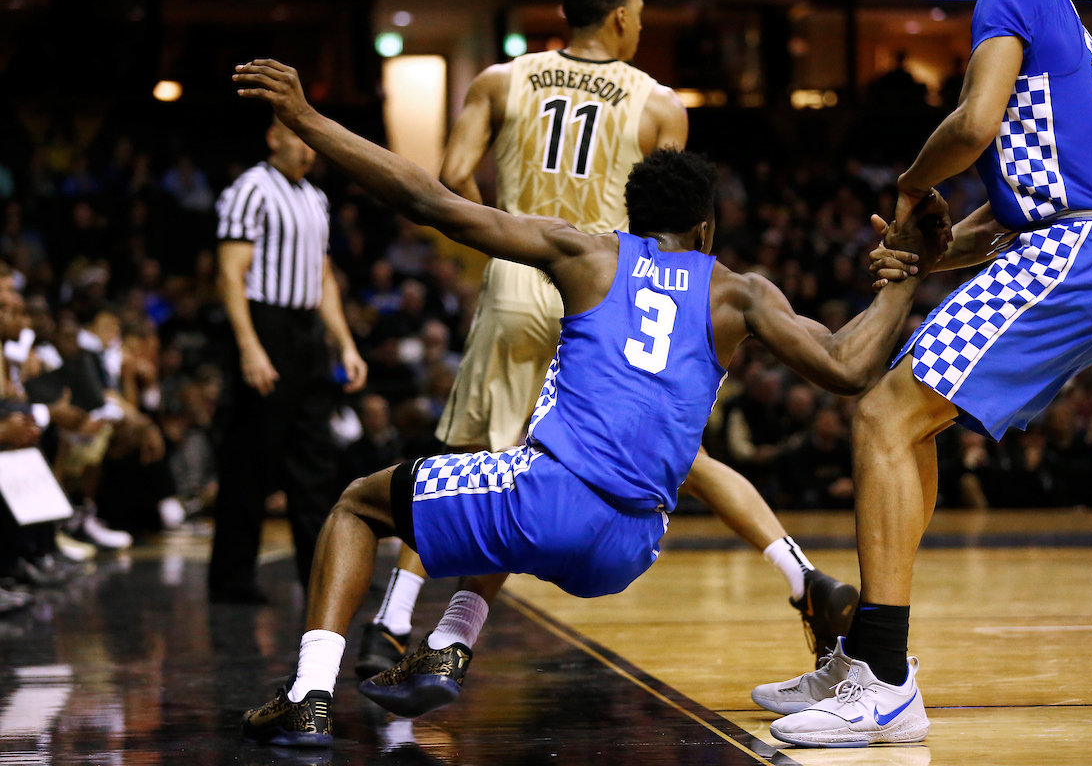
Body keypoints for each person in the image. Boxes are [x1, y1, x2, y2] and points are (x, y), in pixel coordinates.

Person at [228, 57, 947, 746]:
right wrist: (907, 271)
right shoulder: (741, 293)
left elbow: (427, 199)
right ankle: (450, 640)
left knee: (358, 502)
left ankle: (306, 697)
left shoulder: (588, 254)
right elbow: (849, 366)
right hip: (631, 547)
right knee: (523, 465)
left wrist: (309, 118)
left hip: (548, 500)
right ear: (706, 231)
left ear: (631, 222)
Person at [357, 0, 860, 683]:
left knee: (476, 456)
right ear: (621, 19)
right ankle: (799, 574)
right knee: (682, 460)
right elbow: (669, 216)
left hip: (521, 275)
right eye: (643, 15)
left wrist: (495, 247)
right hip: (611, 289)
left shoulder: (504, 77)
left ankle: (391, 625)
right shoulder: (656, 100)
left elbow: (451, 175)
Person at [759, 0, 1092, 748]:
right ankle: (872, 657)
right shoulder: (1060, 17)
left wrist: (908, 188)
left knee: (881, 413)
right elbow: (1013, 208)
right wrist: (919, 257)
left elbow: (972, 126)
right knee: (909, 421)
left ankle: (883, 682)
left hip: (1079, 247)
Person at [208, 118, 368, 604]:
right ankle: (231, 579)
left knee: (315, 462)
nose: (308, 149)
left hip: (306, 334)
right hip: (266, 325)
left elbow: (324, 279)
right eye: (297, 136)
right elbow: (229, 273)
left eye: (311, 139)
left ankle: (318, 573)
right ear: (272, 137)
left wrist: (345, 343)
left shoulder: (315, 198)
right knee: (251, 458)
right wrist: (249, 345)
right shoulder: (250, 189)